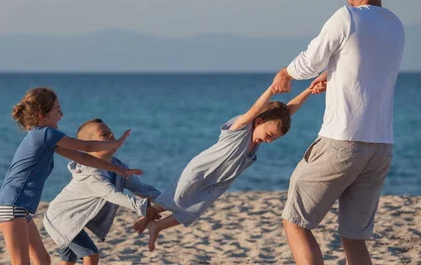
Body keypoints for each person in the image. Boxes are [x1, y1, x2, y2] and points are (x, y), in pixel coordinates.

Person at [271, 0, 405, 265]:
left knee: (294, 219)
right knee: (355, 238)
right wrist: (336, 76)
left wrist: (286, 74)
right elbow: (365, 70)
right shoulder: (396, 26)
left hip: (342, 141)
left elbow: (310, 60)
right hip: (381, 146)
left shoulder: (347, 16)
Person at [0, 88, 142, 265]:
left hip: (20, 209)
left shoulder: (45, 138)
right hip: (12, 206)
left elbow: (83, 157)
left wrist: (121, 171)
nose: (62, 113)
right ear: (41, 114)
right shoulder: (45, 134)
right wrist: (117, 141)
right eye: (57, 109)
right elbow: (87, 145)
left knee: (43, 260)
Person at [135, 80, 325, 250]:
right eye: (269, 135)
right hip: (201, 171)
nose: (269, 141)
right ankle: (145, 217)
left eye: (274, 139)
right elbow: (255, 110)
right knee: (176, 198)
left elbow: (288, 111)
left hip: (220, 183)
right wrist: (271, 90)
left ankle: (157, 226)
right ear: (258, 121)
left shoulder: (260, 135)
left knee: (193, 210)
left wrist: (308, 90)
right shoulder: (239, 129)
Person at [44, 118, 162, 265]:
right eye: (104, 134)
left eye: (110, 132)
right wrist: (142, 208)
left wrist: (164, 199)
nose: (111, 136)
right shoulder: (92, 174)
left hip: (75, 218)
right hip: (61, 219)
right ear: (90, 146)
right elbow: (113, 195)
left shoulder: (117, 166)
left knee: (68, 258)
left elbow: (139, 188)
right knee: (91, 255)